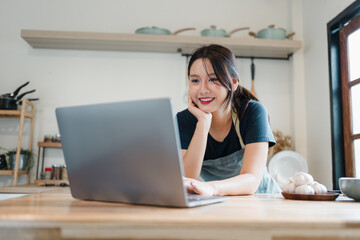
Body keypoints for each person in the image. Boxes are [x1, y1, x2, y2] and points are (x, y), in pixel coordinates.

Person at [177, 44, 281, 196]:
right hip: (217, 202)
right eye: (195, 81)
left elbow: (251, 180)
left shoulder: (252, 112)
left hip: (262, 198)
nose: (203, 89)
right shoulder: (184, 120)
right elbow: (187, 178)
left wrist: (212, 188)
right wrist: (203, 123)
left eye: (213, 79)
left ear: (233, 83)